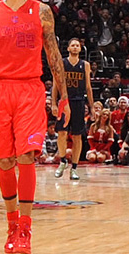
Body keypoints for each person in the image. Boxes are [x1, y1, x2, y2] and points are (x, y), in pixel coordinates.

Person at [0, 0, 65, 253]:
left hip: (29, 88)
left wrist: (59, 94)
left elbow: (53, 54)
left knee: (26, 156)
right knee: (3, 161)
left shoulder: (41, 11)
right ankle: (11, 224)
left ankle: (25, 228)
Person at [54, 39, 93, 181]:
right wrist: (53, 103)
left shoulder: (85, 65)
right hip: (64, 101)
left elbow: (88, 87)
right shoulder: (62, 63)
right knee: (62, 133)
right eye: (73, 45)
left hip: (79, 102)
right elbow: (55, 85)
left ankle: (74, 168)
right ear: (68, 48)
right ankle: (63, 160)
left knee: (77, 136)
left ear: (80, 48)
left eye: (78, 45)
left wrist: (92, 106)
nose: (75, 47)